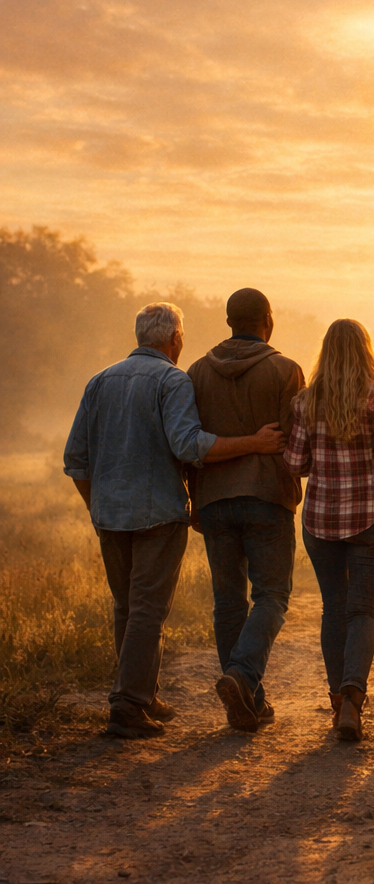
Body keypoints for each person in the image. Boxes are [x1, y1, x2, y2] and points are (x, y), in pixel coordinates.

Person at [63, 303, 287, 739]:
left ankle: (140, 692)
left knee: (127, 606)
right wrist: (255, 443)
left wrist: (97, 507)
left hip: (109, 516)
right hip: (157, 515)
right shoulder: (171, 380)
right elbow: (189, 446)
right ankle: (128, 705)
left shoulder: (100, 381)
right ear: (176, 340)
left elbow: (76, 458)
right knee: (148, 608)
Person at [284, 320, 374, 742]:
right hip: (371, 516)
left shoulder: (305, 401)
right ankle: (353, 700)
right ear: (365, 351)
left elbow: (296, 464)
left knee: (333, 609)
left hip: (320, 520)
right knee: (362, 612)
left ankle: (338, 698)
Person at [186, 289, 305, 732]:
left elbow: (188, 442)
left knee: (228, 601)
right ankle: (241, 676)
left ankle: (248, 703)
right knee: (272, 595)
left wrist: (194, 496)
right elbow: (295, 442)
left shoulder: (196, 371)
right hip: (266, 496)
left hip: (213, 498)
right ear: (267, 321)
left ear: (229, 321)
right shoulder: (285, 370)